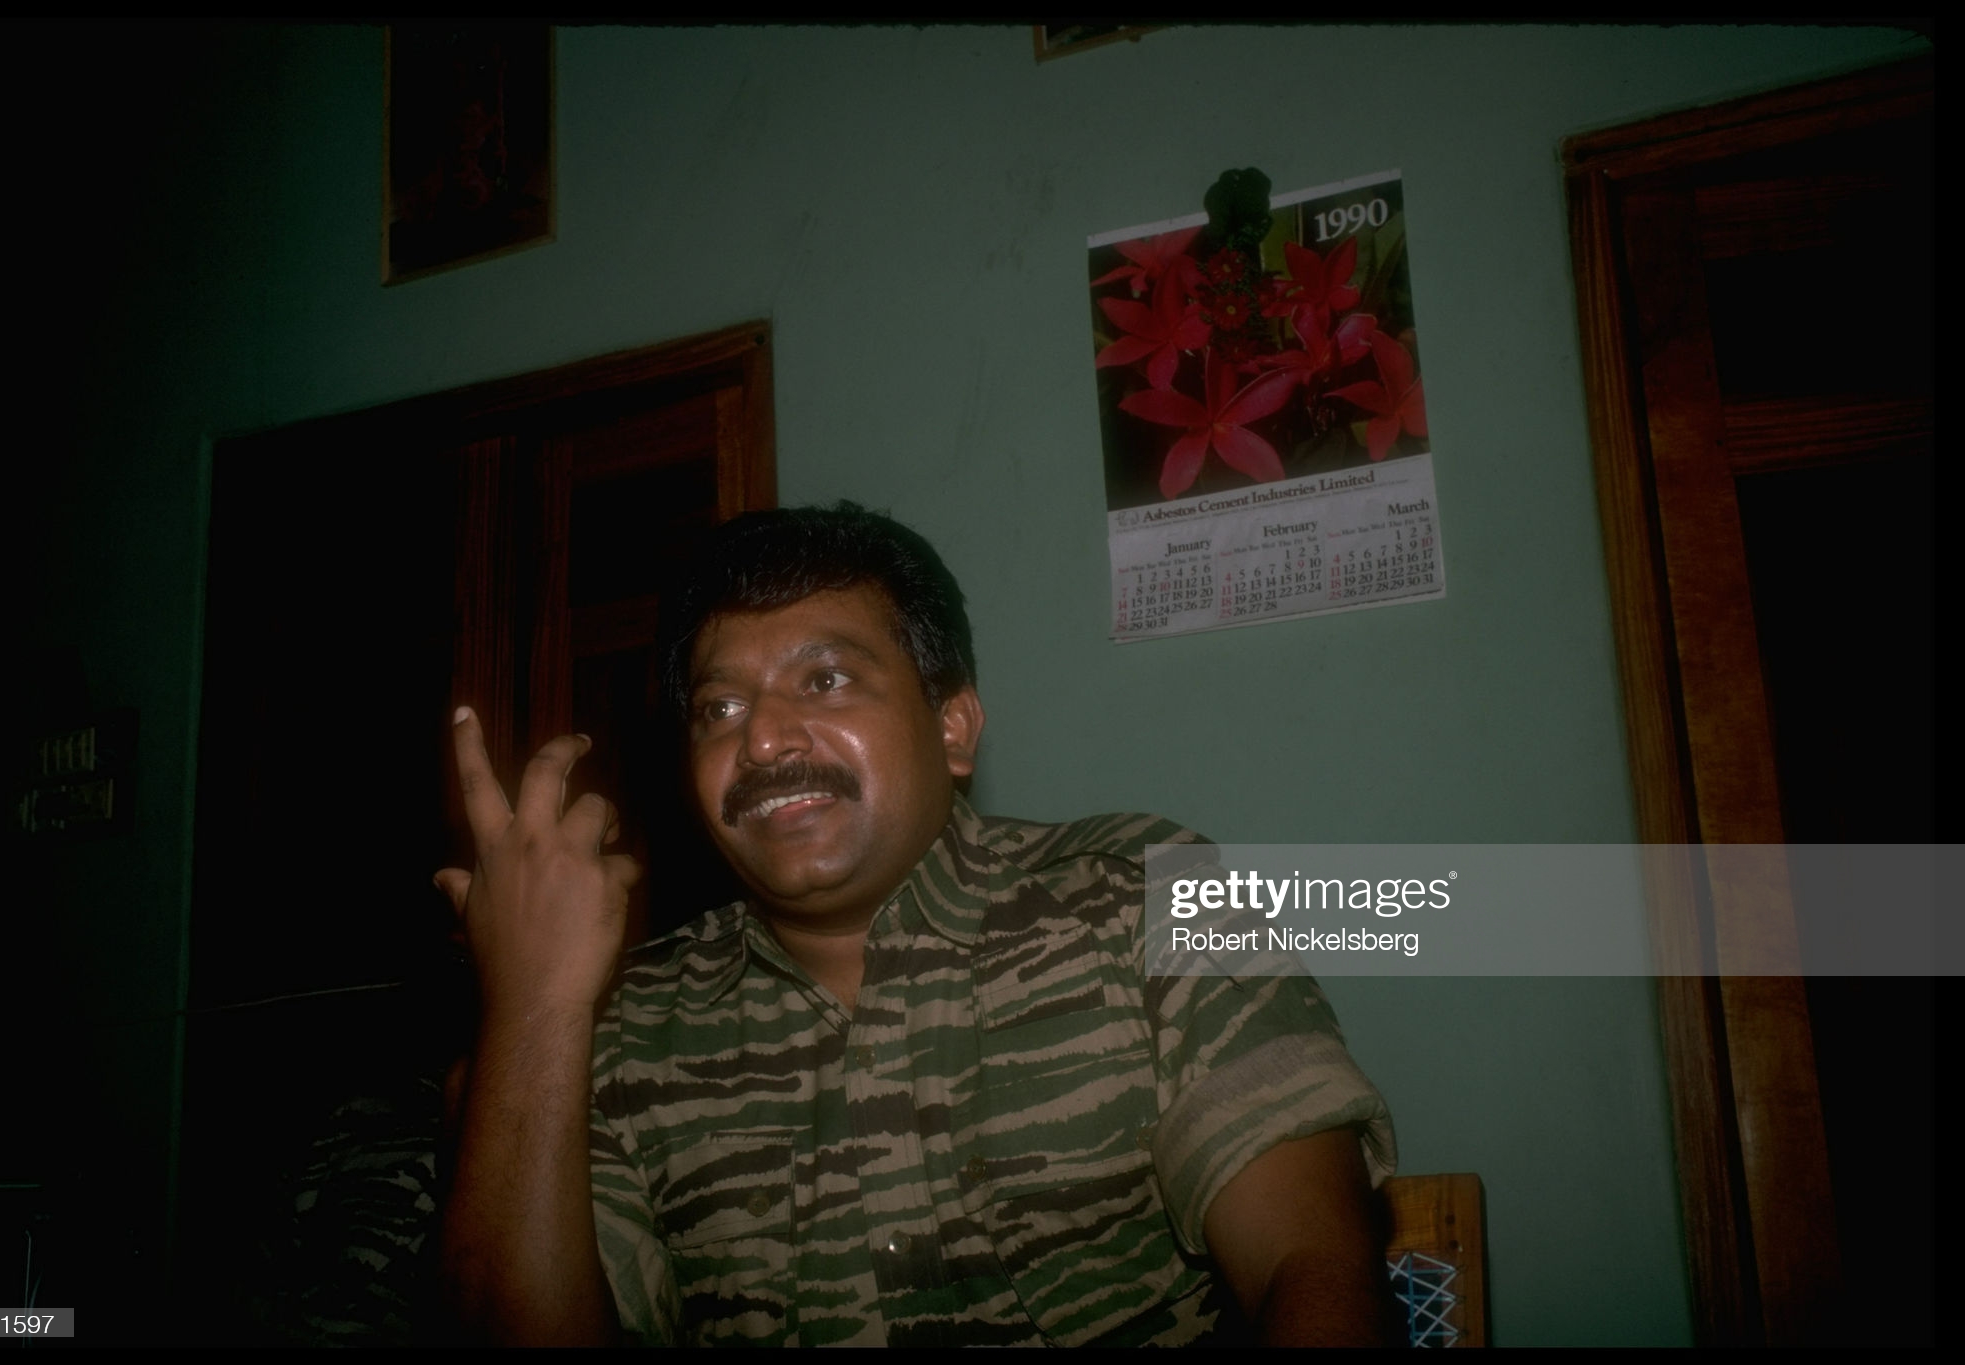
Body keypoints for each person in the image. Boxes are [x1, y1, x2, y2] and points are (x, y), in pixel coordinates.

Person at [434, 502, 1398, 1346]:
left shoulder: (1147, 895)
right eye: (718, 706)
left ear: (953, 727)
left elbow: (1312, 1263)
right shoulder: (623, 1029)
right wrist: (531, 1005)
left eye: (825, 680)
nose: (759, 737)